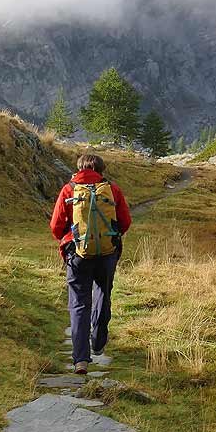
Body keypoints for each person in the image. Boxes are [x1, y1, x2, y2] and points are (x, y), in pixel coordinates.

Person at [50, 153, 131, 374]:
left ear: (79, 168)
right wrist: (110, 238)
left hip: (78, 255)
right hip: (107, 253)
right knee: (103, 292)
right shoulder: (112, 190)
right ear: (101, 169)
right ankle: (98, 339)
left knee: (78, 303)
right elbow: (125, 222)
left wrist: (70, 239)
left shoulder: (69, 190)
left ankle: (80, 359)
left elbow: (56, 226)